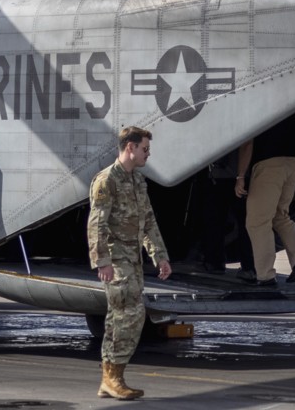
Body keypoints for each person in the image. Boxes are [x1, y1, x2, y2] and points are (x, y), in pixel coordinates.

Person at [87, 126, 173, 401]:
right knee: (131, 313)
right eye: (145, 148)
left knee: (118, 318)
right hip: (116, 258)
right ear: (130, 148)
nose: (148, 154)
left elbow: (148, 221)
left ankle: (110, 379)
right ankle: (113, 377)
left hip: (133, 258)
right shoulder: (107, 181)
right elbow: (97, 223)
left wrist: (159, 256)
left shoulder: (137, 181)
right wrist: (102, 261)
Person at [235, 128, 295, 285]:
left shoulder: (255, 107)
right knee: (280, 216)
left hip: (269, 164)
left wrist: (240, 176)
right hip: (293, 164)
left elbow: (247, 143)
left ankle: (265, 275)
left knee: (257, 222)